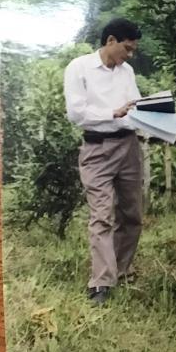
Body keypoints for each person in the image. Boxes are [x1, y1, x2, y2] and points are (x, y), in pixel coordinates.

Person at [64, 17, 143, 305]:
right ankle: (101, 283)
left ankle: (119, 271)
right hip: (96, 149)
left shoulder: (127, 71)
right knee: (102, 215)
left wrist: (151, 115)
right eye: (127, 48)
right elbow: (76, 113)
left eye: (133, 50)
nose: (129, 54)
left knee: (132, 215)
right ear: (111, 41)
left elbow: (134, 106)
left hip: (128, 147)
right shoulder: (79, 68)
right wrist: (113, 113)